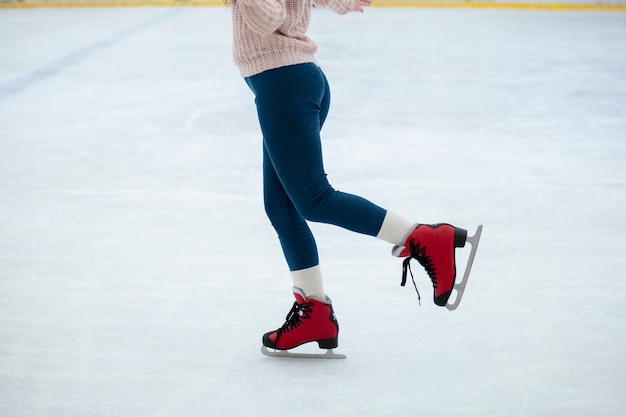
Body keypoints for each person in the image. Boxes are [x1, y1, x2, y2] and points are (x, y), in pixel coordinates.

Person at [230, 0, 480, 355]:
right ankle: (314, 312)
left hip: (284, 84)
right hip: (284, 83)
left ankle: (425, 238)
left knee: (314, 200)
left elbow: (270, 17)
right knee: (282, 209)